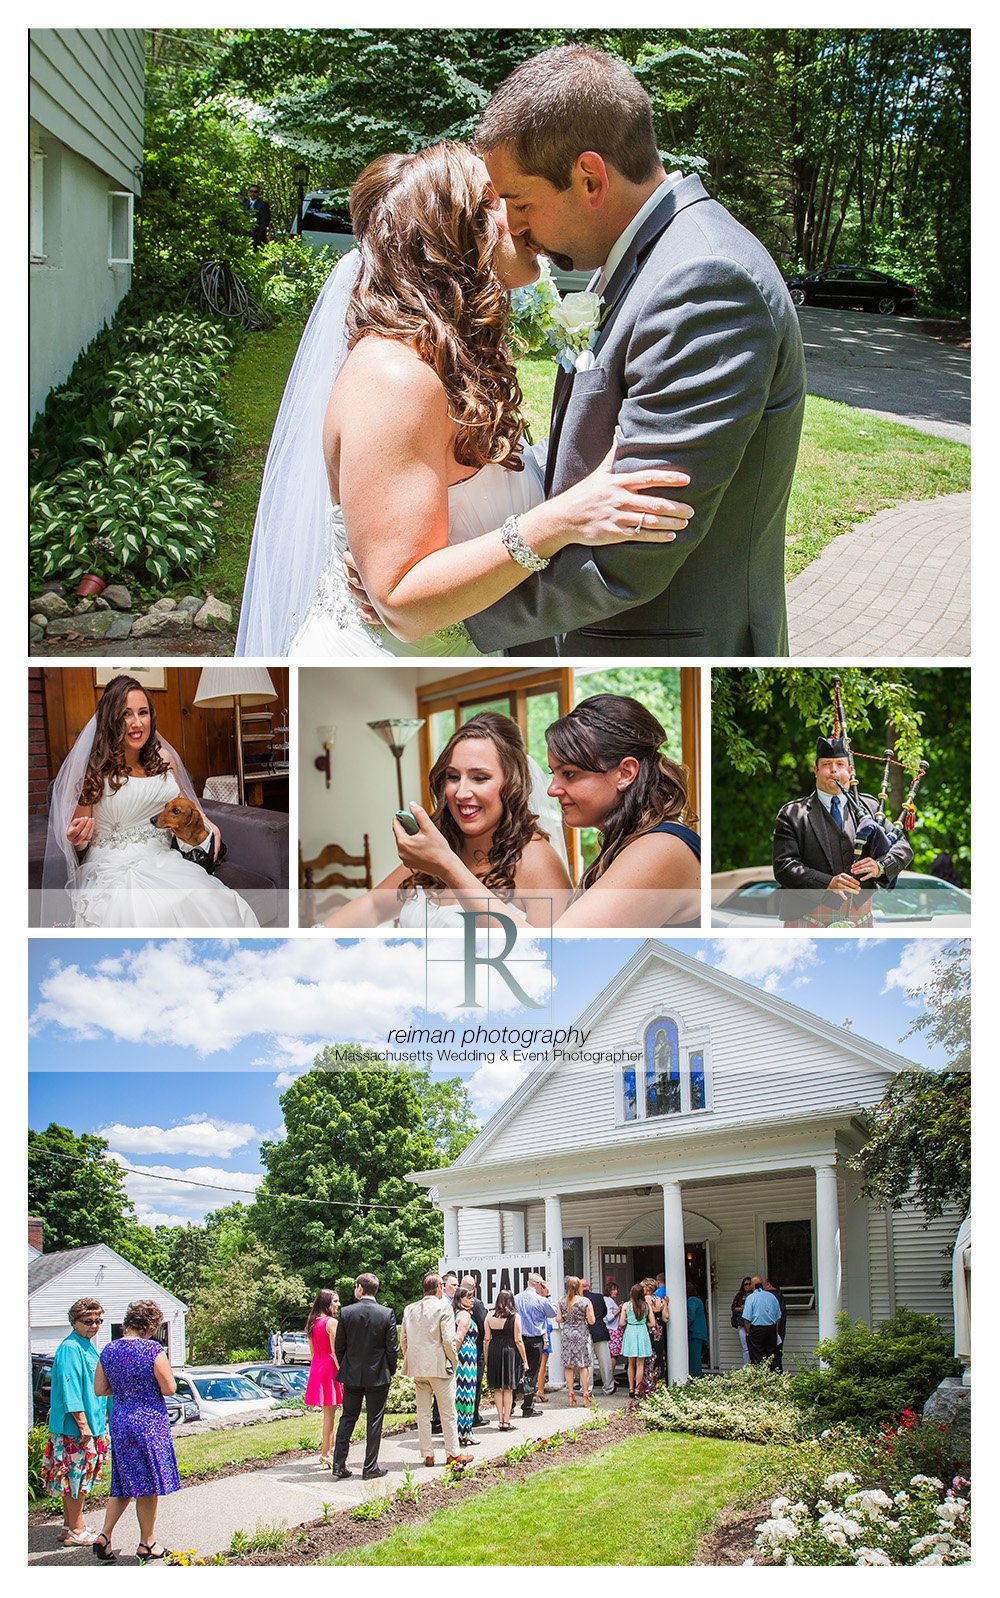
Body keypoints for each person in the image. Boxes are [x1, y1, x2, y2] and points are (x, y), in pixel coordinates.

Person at [236, 140, 693, 657]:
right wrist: (561, 519)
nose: (521, 217)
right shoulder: (394, 379)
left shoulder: (449, 361)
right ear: (449, 236)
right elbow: (403, 603)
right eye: (496, 202)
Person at [465, 43, 805, 658]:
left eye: (518, 202)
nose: (511, 227)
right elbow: (586, 449)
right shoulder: (639, 256)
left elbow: (637, 543)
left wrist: (453, 612)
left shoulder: (704, 281)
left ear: (590, 178)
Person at [395, 695, 700, 929]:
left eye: (569, 774)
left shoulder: (660, 848)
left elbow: (554, 953)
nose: (552, 789)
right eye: (553, 773)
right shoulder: (632, 845)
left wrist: (448, 866)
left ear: (625, 773)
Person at [41, 674, 258, 928]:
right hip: (114, 867)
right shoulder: (94, 769)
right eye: (126, 714)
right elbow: (79, 840)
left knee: (219, 901)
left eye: (142, 713)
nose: (136, 723)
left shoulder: (164, 758)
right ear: (111, 719)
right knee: (147, 915)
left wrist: (207, 823)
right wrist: (77, 841)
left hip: (164, 857)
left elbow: (186, 804)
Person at [325, 713, 571, 930]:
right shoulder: (438, 845)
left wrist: (446, 865)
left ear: (513, 783)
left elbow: (548, 958)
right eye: (453, 776)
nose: (461, 792)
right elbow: (374, 906)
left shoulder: (538, 862)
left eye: (479, 777)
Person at [773, 735, 913, 927]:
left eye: (840, 764)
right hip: (808, 917)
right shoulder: (793, 813)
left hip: (860, 917)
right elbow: (784, 867)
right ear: (816, 770)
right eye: (826, 764)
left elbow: (903, 848)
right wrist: (827, 883)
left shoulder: (870, 807)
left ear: (849, 770)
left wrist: (879, 866)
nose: (833, 770)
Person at [91, 1300, 180, 1562]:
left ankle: (104, 1536)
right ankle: (147, 1543)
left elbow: (99, 1389)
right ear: (150, 1326)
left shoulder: (109, 1350)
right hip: (148, 1423)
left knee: (122, 1481)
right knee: (148, 1484)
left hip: (120, 1420)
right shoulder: (152, 1350)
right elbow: (169, 1388)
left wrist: (124, 1390)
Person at [41, 1298, 109, 1546]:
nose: (94, 1326)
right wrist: (83, 1424)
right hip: (75, 1428)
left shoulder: (86, 1346)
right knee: (76, 1478)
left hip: (89, 1424)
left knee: (74, 1476)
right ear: (74, 1322)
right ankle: (77, 1530)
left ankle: (70, 1525)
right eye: (88, 1321)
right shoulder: (71, 1348)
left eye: (98, 1321)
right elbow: (70, 1388)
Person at [400, 1273, 473, 1468]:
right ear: (439, 1287)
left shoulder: (410, 1309)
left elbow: (404, 1340)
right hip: (440, 1367)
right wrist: (454, 1361)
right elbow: (448, 1340)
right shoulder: (444, 1307)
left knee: (423, 1413)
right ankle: (453, 1453)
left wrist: (411, 1359)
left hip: (418, 1367)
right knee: (448, 1412)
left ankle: (428, 1455)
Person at [331, 1273, 399, 1480]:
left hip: (352, 1373)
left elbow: (339, 1346)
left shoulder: (346, 1312)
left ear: (360, 1288)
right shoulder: (386, 1313)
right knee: (374, 1420)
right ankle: (370, 1467)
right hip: (378, 1374)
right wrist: (390, 1369)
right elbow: (392, 1348)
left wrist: (347, 1365)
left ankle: (339, 1464)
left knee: (348, 1418)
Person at [304, 1288, 343, 1467]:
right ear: (327, 1302)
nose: (338, 1304)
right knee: (330, 1415)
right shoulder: (331, 1322)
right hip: (330, 1370)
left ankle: (331, 1449)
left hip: (318, 1368)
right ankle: (326, 1453)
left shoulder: (312, 1323)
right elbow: (335, 1353)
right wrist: (343, 1373)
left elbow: (312, 1354)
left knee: (330, 1414)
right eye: (335, 1301)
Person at [483, 1289, 529, 1430]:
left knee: (497, 1388)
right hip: (509, 1351)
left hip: (494, 1350)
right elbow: (518, 1340)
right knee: (508, 1388)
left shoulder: (489, 1315)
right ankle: (507, 1421)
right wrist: (525, 1360)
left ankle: (500, 1418)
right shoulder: (515, 1317)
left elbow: (486, 1339)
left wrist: (486, 1358)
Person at [514, 1273, 557, 1418]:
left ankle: (511, 1404)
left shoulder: (516, 1298)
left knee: (517, 1371)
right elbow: (553, 1313)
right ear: (540, 1284)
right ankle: (527, 1407)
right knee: (531, 1373)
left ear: (528, 1282)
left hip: (519, 1339)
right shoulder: (541, 1300)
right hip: (534, 1340)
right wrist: (548, 1294)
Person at [557, 1275, 596, 1405]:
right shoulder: (585, 1301)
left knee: (569, 1366)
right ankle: (585, 1396)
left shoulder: (561, 1301)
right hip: (581, 1334)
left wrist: (567, 1319)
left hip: (567, 1334)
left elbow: (558, 1319)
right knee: (583, 1365)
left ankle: (570, 1394)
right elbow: (591, 1321)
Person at [460, 1275, 490, 1428]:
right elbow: (484, 1328)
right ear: (474, 1288)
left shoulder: (454, 1303)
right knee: (474, 1386)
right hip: (474, 1352)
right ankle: (474, 1416)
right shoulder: (477, 1305)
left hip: (461, 1353)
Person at [452, 1283, 480, 1446]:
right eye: (468, 1297)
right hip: (466, 1357)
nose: (472, 1300)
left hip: (464, 1356)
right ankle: (465, 1432)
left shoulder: (455, 1313)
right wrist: (453, 1357)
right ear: (460, 1299)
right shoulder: (464, 1315)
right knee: (467, 1394)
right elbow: (459, 1337)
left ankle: (460, 1431)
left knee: (460, 1394)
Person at [619, 1282, 655, 1398]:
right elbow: (653, 1323)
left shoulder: (626, 1306)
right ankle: (638, 1389)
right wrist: (644, 1323)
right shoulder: (646, 1306)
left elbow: (621, 1323)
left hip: (630, 1331)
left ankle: (630, 1388)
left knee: (631, 1363)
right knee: (640, 1364)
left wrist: (630, 1321)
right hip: (642, 1332)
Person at [581, 1278, 615, 1397]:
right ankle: (608, 1387)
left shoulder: (578, 1299)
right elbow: (604, 1313)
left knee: (587, 1362)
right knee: (605, 1362)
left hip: (584, 1332)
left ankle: (587, 1388)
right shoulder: (599, 1297)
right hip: (599, 1329)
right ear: (589, 1287)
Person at [741, 1276, 783, 1368]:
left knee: (757, 1357)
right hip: (771, 1329)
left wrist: (748, 1332)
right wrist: (775, 1331)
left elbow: (747, 1319)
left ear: (753, 1286)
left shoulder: (751, 1298)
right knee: (771, 1356)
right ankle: (772, 1376)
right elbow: (778, 1317)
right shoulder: (772, 1297)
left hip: (757, 1330)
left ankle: (760, 1378)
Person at [686, 1282, 710, 1378]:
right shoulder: (697, 1300)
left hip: (695, 1334)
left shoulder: (692, 1301)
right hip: (699, 1333)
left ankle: (697, 1380)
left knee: (694, 1360)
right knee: (696, 1359)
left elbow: (690, 1317)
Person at [764, 1279, 788, 1372]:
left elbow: (775, 1315)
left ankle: (774, 1373)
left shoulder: (772, 1296)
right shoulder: (780, 1296)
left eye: (764, 1285)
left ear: (769, 1285)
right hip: (780, 1330)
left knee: (771, 1355)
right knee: (778, 1353)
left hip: (773, 1329)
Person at [731, 1276, 753, 1365]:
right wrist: (740, 1309)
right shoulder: (739, 1296)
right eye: (745, 1284)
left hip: (753, 1323)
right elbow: (733, 1308)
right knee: (745, 1347)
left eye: (749, 1284)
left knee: (753, 1345)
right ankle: (746, 1366)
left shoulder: (754, 1295)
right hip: (741, 1322)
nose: (747, 1286)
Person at [246, 183, 270, 247]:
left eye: (255, 192)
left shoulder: (263, 204)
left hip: (257, 237)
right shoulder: (245, 204)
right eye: (251, 191)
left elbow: (264, 222)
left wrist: (259, 237)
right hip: (246, 236)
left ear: (259, 193)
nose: (253, 193)